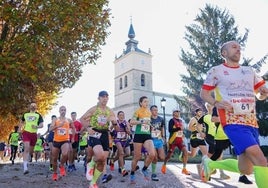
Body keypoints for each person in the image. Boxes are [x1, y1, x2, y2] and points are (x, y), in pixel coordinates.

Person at [200, 40, 268, 188]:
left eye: (239, 47)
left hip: (251, 122)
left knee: (246, 169)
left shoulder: (249, 71)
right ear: (224, 53)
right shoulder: (216, 71)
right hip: (232, 122)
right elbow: (204, 93)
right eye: (234, 47)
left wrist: (263, 94)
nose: (238, 49)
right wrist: (216, 103)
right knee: (262, 161)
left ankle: (210, 163)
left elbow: (260, 95)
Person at [80, 90, 117, 188]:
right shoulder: (94, 109)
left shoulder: (110, 111)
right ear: (99, 98)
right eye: (103, 97)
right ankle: (91, 164)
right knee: (100, 156)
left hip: (105, 134)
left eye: (106, 97)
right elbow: (82, 119)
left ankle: (93, 182)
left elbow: (116, 127)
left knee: (102, 160)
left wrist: (114, 123)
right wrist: (88, 128)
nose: (105, 98)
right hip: (95, 133)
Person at [211, 106, 253, 183]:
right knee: (218, 154)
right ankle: (209, 166)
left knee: (241, 151)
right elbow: (213, 119)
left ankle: (242, 176)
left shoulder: (236, 103)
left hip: (234, 133)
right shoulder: (217, 106)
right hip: (221, 135)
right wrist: (229, 118)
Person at [129, 96, 155, 184]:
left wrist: (151, 127)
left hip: (147, 135)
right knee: (137, 157)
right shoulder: (137, 111)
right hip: (139, 135)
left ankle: (144, 169)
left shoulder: (149, 112)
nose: (146, 103)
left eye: (147, 102)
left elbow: (148, 123)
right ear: (140, 103)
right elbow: (131, 122)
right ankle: (132, 173)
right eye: (144, 102)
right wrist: (141, 122)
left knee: (152, 154)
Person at [49, 105, 75, 181]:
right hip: (56, 140)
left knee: (65, 153)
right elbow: (50, 128)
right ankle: (55, 173)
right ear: (59, 111)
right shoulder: (55, 119)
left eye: (64, 110)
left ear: (66, 111)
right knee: (54, 159)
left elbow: (73, 128)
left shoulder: (69, 120)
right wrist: (58, 126)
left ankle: (61, 165)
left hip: (65, 140)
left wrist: (73, 137)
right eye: (62, 110)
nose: (63, 111)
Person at [161, 108, 190, 175]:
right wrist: (179, 128)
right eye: (177, 111)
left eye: (179, 111)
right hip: (173, 140)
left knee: (185, 152)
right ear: (173, 113)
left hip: (180, 140)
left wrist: (183, 134)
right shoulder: (171, 120)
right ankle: (164, 165)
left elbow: (181, 130)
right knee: (169, 155)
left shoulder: (180, 120)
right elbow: (170, 130)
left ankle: (184, 169)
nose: (178, 112)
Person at [19, 102, 44, 174]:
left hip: (34, 134)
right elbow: (21, 122)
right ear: (29, 107)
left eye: (34, 105)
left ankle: (30, 155)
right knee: (26, 148)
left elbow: (42, 125)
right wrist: (20, 130)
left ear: (36, 107)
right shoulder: (25, 114)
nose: (33, 106)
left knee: (30, 150)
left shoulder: (38, 115)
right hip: (26, 132)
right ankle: (25, 168)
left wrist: (37, 126)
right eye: (31, 105)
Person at [110, 111, 131, 177]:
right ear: (118, 116)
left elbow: (129, 132)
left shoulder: (126, 122)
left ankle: (113, 160)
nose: (122, 116)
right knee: (121, 153)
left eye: (123, 115)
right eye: (120, 115)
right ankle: (123, 169)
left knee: (127, 154)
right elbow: (110, 129)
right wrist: (112, 134)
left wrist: (127, 129)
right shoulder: (116, 122)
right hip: (117, 140)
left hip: (125, 140)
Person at [150, 105, 165, 181]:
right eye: (154, 110)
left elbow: (162, 128)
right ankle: (153, 173)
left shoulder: (161, 119)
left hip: (159, 140)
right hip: (151, 140)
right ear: (151, 111)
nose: (155, 111)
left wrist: (163, 137)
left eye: (156, 110)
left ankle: (151, 159)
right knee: (155, 157)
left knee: (162, 157)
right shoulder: (149, 119)